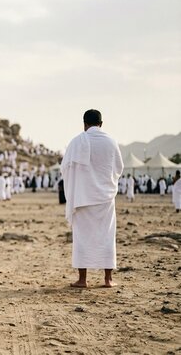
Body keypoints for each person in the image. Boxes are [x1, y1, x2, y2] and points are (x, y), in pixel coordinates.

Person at [61, 109, 123, 288]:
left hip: (82, 197)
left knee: (82, 237)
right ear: (101, 124)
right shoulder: (111, 142)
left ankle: (82, 279)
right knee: (106, 235)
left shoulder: (76, 142)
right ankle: (108, 279)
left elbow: (65, 168)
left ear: (84, 124)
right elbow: (118, 168)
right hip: (105, 197)